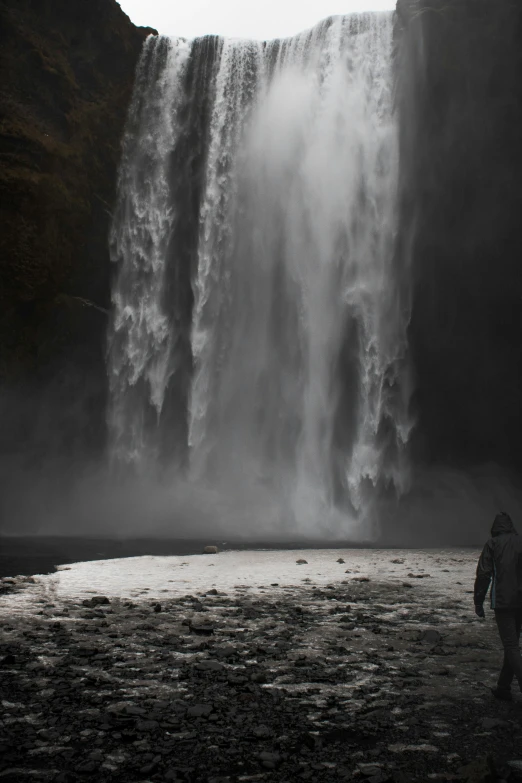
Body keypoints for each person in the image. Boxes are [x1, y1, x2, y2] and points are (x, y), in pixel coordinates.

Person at [474, 511, 522, 701]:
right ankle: (503, 687)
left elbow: (484, 574)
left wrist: (478, 601)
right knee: (513, 645)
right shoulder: (520, 541)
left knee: (511, 646)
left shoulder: (492, 544)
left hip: (503, 602)